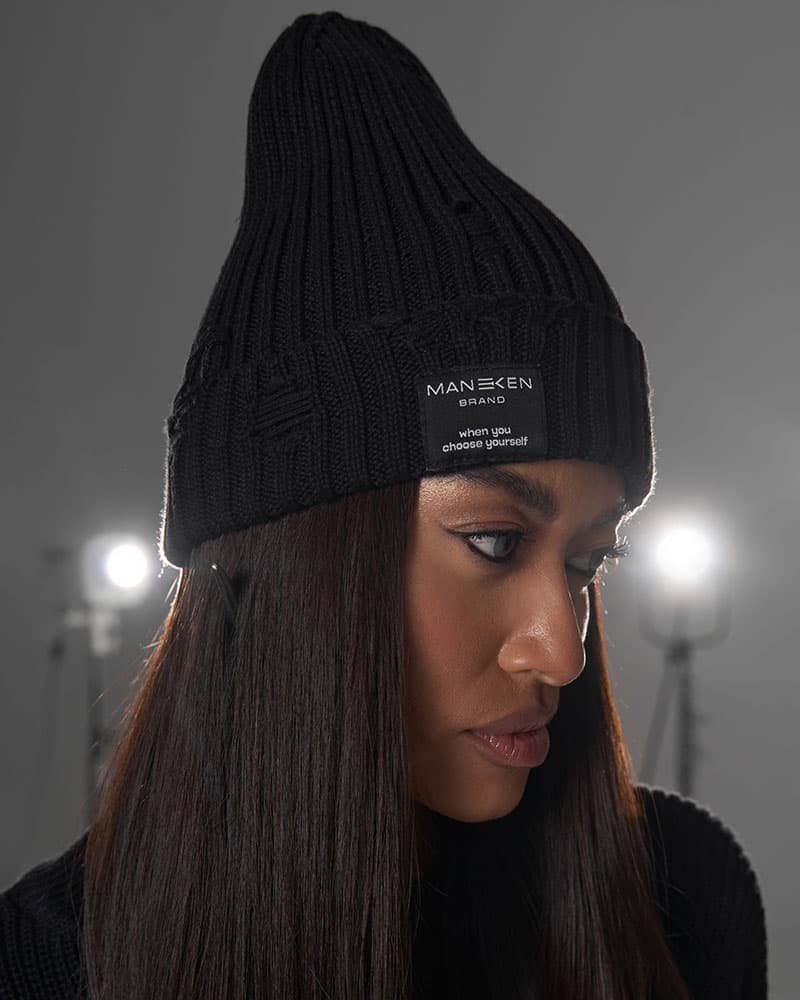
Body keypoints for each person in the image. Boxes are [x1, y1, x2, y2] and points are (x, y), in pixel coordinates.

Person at [0, 11, 767, 1000]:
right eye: (494, 541)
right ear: (285, 559)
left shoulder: (682, 898)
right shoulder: (43, 967)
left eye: (588, 560)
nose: (561, 652)